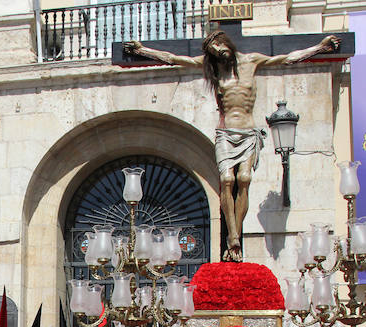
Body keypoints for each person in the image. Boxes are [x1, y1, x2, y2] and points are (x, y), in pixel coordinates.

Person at [124, 31, 340, 261]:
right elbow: (174, 58)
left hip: (248, 132)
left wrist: (320, 47)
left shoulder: (251, 61)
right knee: (227, 180)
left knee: (244, 179)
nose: (217, 49)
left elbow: (287, 58)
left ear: (227, 42)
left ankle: (235, 232)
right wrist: (142, 50)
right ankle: (233, 236)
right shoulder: (214, 70)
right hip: (225, 134)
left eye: (218, 43)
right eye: (212, 48)